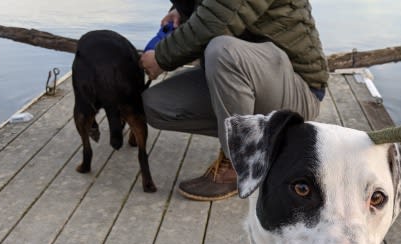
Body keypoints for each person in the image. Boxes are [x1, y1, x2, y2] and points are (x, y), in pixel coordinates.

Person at [140, 0, 329, 201]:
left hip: (298, 87)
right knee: (157, 104)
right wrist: (181, 9)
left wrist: (160, 58)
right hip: (255, 78)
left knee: (223, 51)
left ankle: (239, 164)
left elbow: (216, 22)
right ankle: (258, 140)